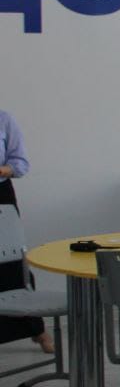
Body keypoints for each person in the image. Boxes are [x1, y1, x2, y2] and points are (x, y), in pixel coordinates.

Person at [0, 108, 51, 353]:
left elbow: (19, 164)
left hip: (0, 196)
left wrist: (2, 170)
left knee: (12, 266)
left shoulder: (4, 119)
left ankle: (37, 330)